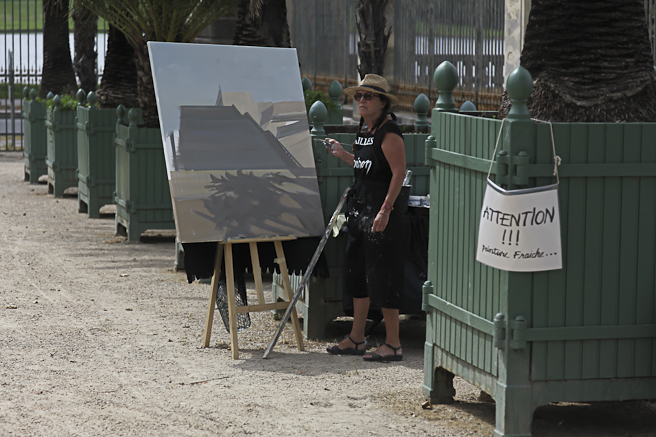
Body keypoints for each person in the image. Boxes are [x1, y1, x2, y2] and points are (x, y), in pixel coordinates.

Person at [324, 74, 406, 362]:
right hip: (359, 210)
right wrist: (342, 153)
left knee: (382, 275)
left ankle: (393, 344)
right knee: (357, 274)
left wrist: (385, 210)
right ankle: (357, 338)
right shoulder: (365, 130)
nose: (361, 100)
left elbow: (399, 172)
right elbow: (363, 165)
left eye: (368, 96)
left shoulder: (389, 131)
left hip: (380, 212)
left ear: (382, 102)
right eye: (358, 95)